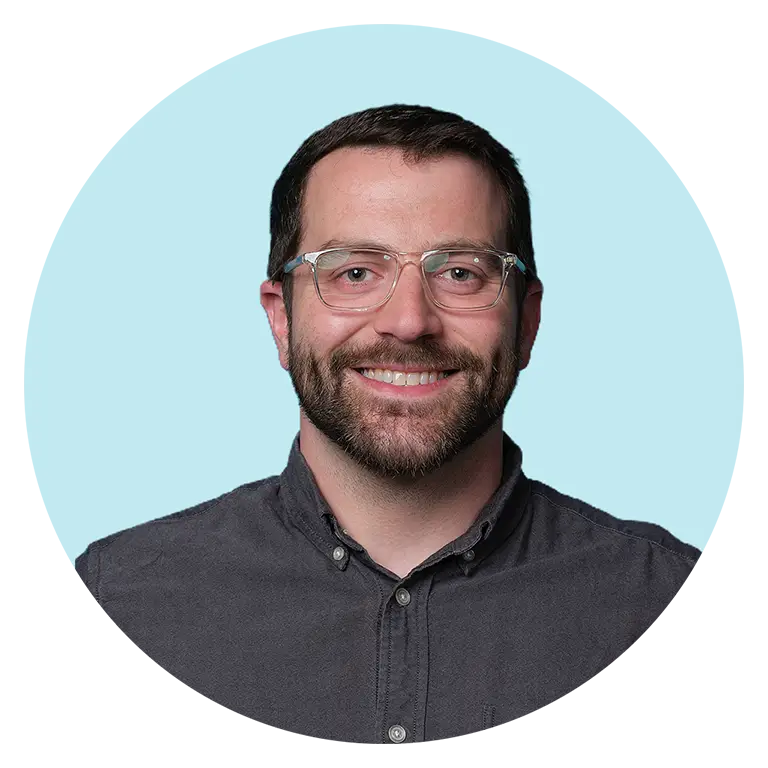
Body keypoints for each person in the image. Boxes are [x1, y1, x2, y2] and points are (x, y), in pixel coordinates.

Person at [73, 104, 701, 744]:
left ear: (527, 320)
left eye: (459, 273)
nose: (408, 321)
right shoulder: (115, 602)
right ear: (281, 319)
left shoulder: (678, 611)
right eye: (354, 272)